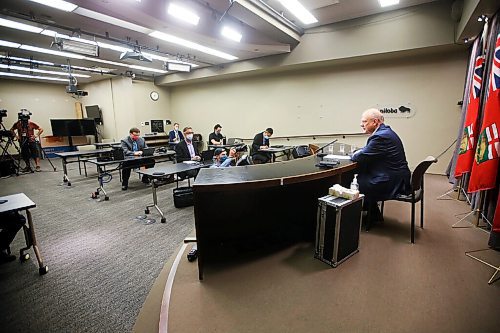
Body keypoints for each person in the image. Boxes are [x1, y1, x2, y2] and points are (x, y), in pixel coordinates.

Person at [350, 108, 411, 221]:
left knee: (355, 181)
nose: (361, 124)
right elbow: (367, 151)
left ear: (375, 121)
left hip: (393, 181)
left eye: (364, 121)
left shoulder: (380, 136)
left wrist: (354, 154)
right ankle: (372, 212)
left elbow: (359, 157)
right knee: (362, 174)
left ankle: (359, 214)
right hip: (396, 175)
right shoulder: (384, 132)